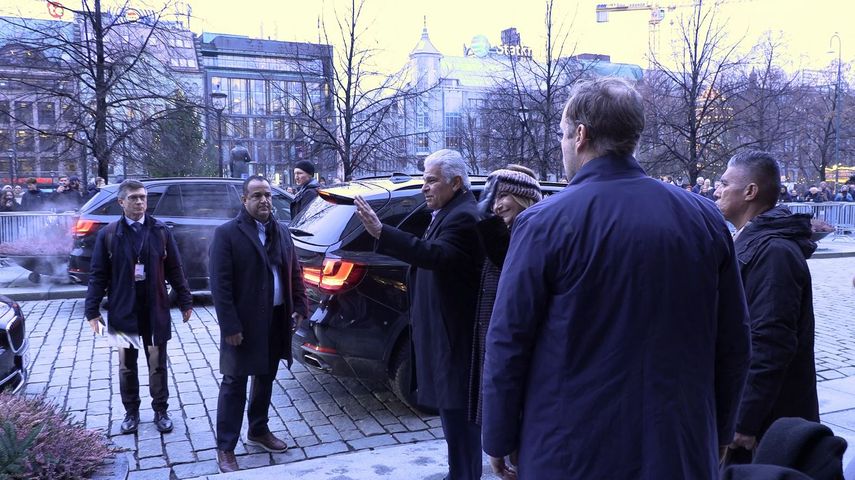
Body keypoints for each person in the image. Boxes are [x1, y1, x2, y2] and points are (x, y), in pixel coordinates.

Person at [480, 77, 751, 479]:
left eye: (562, 133)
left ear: (580, 136)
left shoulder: (543, 223)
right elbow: (733, 341)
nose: (562, 143)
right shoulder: (704, 218)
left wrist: (498, 438)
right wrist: (720, 429)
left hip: (569, 452)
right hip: (678, 447)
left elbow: (508, 341)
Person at [353, 149, 484, 480]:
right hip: (442, 330)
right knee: (451, 412)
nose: (424, 187)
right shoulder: (448, 210)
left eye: (431, 180)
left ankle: (466, 475)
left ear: (455, 182)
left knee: (460, 414)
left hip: (456, 334)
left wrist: (383, 232)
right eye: (423, 179)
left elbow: (434, 255)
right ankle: (460, 473)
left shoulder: (464, 216)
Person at [714, 150, 819, 462]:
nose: (717, 191)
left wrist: (745, 418)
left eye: (724, 183)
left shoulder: (774, 253)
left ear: (750, 192)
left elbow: (770, 342)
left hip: (765, 425)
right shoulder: (754, 243)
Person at [209, 174, 309, 473]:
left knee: (266, 376)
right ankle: (225, 447)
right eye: (257, 195)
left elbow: (294, 271)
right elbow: (220, 285)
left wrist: (300, 304)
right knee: (234, 383)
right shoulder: (227, 234)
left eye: (267, 194)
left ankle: (258, 429)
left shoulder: (280, 231)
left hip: (276, 318)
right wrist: (230, 326)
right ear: (245, 200)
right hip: (244, 323)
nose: (264, 200)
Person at [84, 180, 193, 435]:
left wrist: (186, 300)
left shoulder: (160, 231)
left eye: (143, 197)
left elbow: (175, 269)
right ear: (121, 202)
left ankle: (160, 410)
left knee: (157, 364)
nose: (140, 202)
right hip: (123, 312)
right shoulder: (109, 234)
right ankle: (131, 412)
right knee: (127, 365)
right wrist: (92, 311)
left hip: (155, 310)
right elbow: (98, 275)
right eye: (133, 198)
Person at [468, 166, 541, 433]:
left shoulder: (529, 236)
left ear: (524, 198)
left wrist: (487, 224)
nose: (496, 206)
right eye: (493, 198)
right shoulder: (505, 232)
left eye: (503, 197)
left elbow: (507, 260)